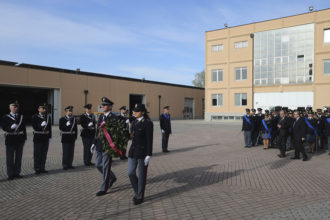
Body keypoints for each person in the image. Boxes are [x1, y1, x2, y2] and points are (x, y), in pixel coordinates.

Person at [91, 97, 117, 196]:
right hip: (99, 145)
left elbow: (116, 133)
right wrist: (93, 143)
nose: (103, 106)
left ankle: (104, 188)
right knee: (98, 165)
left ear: (110, 106)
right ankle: (112, 177)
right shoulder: (101, 117)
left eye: (105, 105)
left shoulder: (114, 118)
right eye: (102, 105)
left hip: (108, 146)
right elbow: (97, 131)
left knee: (106, 167)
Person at [128, 104, 153, 205]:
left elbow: (149, 140)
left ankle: (139, 196)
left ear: (142, 112)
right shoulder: (134, 122)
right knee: (131, 173)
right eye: (134, 111)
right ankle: (137, 190)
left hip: (142, 152)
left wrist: (149, 154)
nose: (134, 112)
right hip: (133, 151)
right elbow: (131, 136)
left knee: (141, 175)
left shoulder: (147, 123)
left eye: (137, 111)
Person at [1, 101, 27, 180]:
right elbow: (4, 127)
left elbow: (24, 129)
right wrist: (10, 127)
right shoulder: (5, 117)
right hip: (10, 139)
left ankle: (17, 173)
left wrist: (24, 139)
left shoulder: (21, 116)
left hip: (19, 140)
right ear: (10, 108)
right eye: (14, 106)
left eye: (17, 107)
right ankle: (10, 174)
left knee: (19, 157)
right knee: (10, 158)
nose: (16, 108)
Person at [32, 103, 52, 174]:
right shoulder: (35, 117)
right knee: (37, 154)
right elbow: (34, 127)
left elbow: (49, 128)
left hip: (45, 137)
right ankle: (37, 168)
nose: (44, 109)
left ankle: (42, 167)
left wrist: (50, 137)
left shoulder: (48, 117)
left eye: (45, 108)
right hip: (38, 137)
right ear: (38, 109)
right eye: (42, 108)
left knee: (44, 154)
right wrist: (40, 126)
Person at [59, 106, 78, 170]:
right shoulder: (62, 119)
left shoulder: (73, 119)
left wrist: (75, 137)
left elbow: (76, 129)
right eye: (69, 111)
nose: (71, 112)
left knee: (71, 152)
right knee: (66, 152)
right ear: (66, 112)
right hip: (65, 138)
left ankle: (70, 164)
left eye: (71, 111)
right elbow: (61, 128)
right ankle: (65, 165)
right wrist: (66, 125)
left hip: (72, 137)